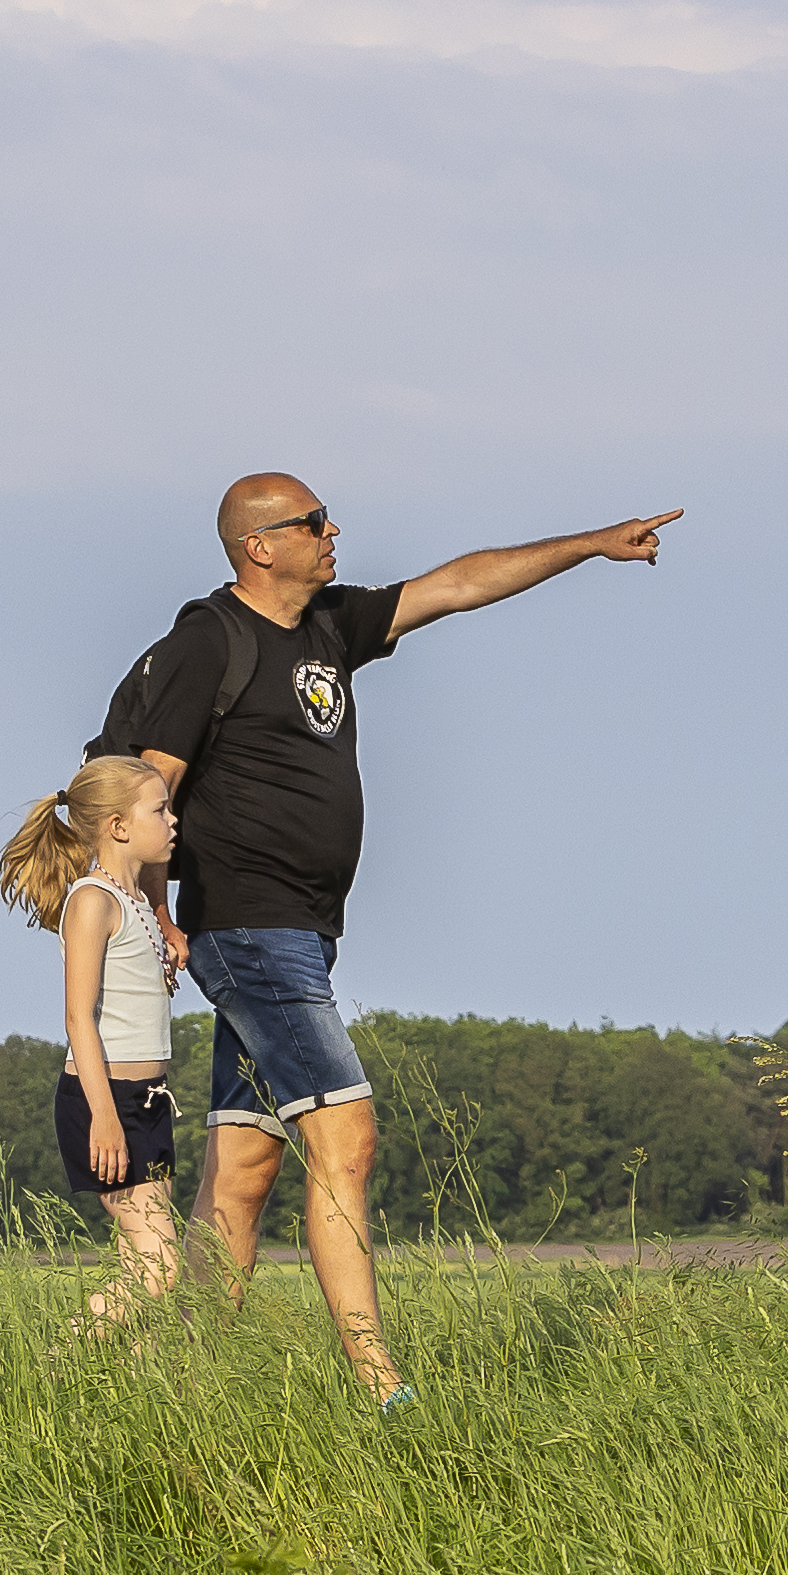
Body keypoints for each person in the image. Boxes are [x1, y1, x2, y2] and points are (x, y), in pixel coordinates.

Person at [113, 473, 678, 1406]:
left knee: (245, 1167)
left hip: (299, 931)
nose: (334, 531)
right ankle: (384, 1391)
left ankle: (181, 1387)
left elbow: (456, 585)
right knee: (349, 1138)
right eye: (313, 522)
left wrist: (589, 544)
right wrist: (159, 917)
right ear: (259, 545)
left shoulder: (329, 624)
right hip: (248, 930)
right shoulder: (207, 641)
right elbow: (146, 786)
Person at [0, 754, 187, 1334]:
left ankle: (138, 1400)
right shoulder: (92, 901)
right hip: (103, 1099)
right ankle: (59, 1362)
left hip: (149, 1098)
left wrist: (168, 946)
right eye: (160, 810)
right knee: (160, 1266)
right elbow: (78, 1020)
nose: (174, 821)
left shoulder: (136, 905)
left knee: (144, 1260)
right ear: (118, 826)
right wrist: (104, 1118)